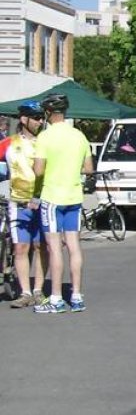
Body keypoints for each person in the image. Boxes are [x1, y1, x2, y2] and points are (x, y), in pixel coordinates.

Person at [31, 92, 94, 314]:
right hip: (74, 196)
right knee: (74, 246)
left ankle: (56, 298)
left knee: (55, 247)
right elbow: (89, 169)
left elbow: (38, 170)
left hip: (52, 197)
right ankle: (76, 296)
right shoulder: (79, 136)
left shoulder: (45, 137)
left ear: (48, 113)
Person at [5, 101, 48, 308]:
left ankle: (38, 290)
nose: (40, 122)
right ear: (24, 119)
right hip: (19, 202)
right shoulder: (9, 143)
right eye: (36, 118)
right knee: (21, 247)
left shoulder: (45, 142)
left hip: (43, 202)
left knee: (41, 247)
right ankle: (25, 293)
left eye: (42, 118)